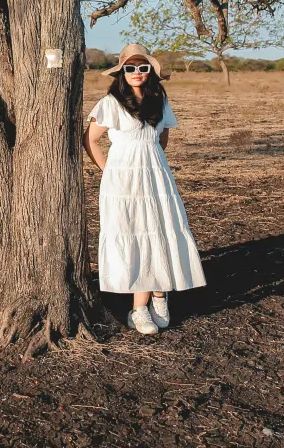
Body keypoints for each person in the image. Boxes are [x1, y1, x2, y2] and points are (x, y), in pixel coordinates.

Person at [84, 44, 205, 335]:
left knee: (160, 230)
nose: (136, 73)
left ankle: (160, 297)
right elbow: (90, 141)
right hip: (122, 181)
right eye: (130, 68)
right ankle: (138, 308)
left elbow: (162, 138)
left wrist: (152, 162)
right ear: (122, 73)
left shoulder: (159, 101)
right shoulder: (110, 103)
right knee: (135, 233)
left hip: (156, 176)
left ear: (149, 72)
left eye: (142, 68)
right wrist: (109, 170)